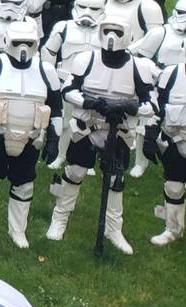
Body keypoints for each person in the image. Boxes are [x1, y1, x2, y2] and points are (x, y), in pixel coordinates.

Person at [48, 17, 155, 253]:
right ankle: (60, 218)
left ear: (126, 35)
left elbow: (152, 104)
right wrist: (88, 101)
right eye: (107, 30)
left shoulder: (139, 67)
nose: (111, 37)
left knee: (116, 180)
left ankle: (114, 228)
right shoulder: (86, 60)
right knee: (75, 172)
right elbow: (67, 90)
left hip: (119, 132)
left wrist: (130, 107)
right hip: (87, 127)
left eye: (117, 32)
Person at [0, 23, 60, 248]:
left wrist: (54, 138)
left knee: (25, 184)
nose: (24, 48)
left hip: (30, 138)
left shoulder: (46, 70)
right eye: (18, 43)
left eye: (29, 43)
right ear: (8, 41)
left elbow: (56, 107)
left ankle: (18, 230)